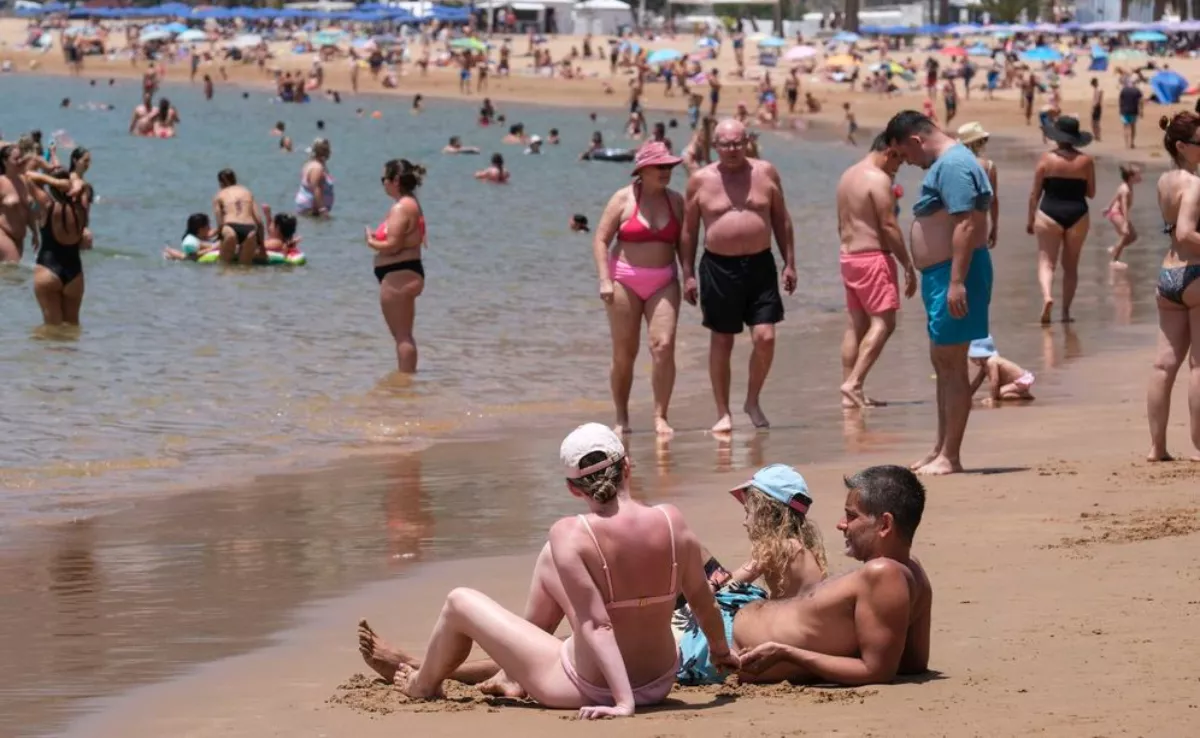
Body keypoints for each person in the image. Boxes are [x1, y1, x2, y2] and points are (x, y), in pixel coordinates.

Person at [356, 423, 736, 717]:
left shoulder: (572, 533)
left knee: (459, 602)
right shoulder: (672, 521)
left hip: (589, 686)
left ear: (574, 489)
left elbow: (597, 625)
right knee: (552, 558)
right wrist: (722, 652)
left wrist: (624, 703)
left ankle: (423, 684)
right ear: (627, 467)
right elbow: (703, 602)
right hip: (659, 679)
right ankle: (510, 676)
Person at [679, 465, 931, 687]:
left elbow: (877, 670)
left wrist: (788, 654)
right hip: (726, 624)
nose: (841, 524)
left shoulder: (884, 574)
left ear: (885, 525)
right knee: (680, 546)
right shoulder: (914, 573)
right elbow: (912, 663)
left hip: (719, 646)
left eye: (851, 516)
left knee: (676, 540)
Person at [884, 110, 993, 476]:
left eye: (905, 154)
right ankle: (941, 447)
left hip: (953, 273)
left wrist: (957, 281)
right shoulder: (952, 162)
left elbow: (966, 223)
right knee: (943, 364)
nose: (908, 164)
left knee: (951, 364)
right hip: (942, 274)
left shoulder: (953, 164)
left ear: (916, 140)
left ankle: (952, 456)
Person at [681, 119, 795, 433]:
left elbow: (781, 221)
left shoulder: (766, 172)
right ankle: (722, 412)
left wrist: (789, 263)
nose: (732, 149)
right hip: (718, 268)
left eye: (737, 142)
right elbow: (689, 231)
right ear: (715, 146)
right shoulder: (700, 180)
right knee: (722, 339)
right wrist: (687, 274)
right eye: (726, 144)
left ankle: (752, 400)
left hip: (760, 265)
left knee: (765, 337)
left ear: (747, 142)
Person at [591, 142, 685, 436]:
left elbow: (683, 243)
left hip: (664, 281)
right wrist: (605, 278)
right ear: (642, 170)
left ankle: (661, 416)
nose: (666, 171)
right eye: (660, 166)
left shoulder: (676, 201)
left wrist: (691, 276)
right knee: (624, 353)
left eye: (669, 166)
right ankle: (621, 417)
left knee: (664, 346)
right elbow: (601, 239)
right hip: (624, 281)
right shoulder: (622, 199)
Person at [836, 135, 917, 409]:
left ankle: (850, 394)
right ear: (889, 152)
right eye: (900, 160)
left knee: (856, 325)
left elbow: (842, 223)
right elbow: (888, 226)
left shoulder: (847, 176)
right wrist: (907, 264)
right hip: (873, 257)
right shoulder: (877, 179)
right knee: (884, 323)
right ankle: (854, 383)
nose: (899, 167)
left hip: (848, 256)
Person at [1148, 112, 1200, 462]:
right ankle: (1199, 447)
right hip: (1195, 274)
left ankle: (1157, 448)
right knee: (1198, 365)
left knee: (1164, 365)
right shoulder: (1196, 183)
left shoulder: (1164, 180)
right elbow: (1184, 232)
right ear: (1182, 146)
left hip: (1167, 276)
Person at [1028, 116, 1095, 324]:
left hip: (1049, 213)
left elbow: (1035, 194)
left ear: (1056, 137)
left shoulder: (1046, 159)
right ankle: (1066, 312)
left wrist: (1030, 219)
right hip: (1078, 214)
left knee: (1046, 262)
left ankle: (1048, 296)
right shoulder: (1086, 161)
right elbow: (1091, 193)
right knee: (1071, 266)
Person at [365, 158, 427, 374]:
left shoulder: (402, 207)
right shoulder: (411, 203)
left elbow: (393, 245)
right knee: (404, 335)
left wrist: (371, 242)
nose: (383, 183)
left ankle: (405, 384)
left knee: (402, 336)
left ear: (396, 180)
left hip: (399, 274)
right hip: (405, 271)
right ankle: (407, 382)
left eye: (384, 179)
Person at [30, 160, 91, 326]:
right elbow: (84, 185)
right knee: (72, 326)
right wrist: (75, 183)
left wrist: (54, 181)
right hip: (75, 273)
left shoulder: (46, 205)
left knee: (51, 328)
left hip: (48, 269)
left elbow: (27, 176)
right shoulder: (82, 208)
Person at [957, 122, 999, 250]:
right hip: (980, 227)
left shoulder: (954, 164)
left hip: (955, 224)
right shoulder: (989, 167)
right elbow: (993, 201)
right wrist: (995, 227)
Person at [212, 169, 263, 265]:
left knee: (224, 267)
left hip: (230, 228)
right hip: (250, 229)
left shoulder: (219, 195)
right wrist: (262, 247)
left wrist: (220, 237)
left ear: (220, 182)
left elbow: (220, 222)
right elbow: (259, 222)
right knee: (245, 269)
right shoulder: (247, 192)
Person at [967, 335, 1035, 403]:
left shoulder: (991, 361)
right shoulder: (985, 365)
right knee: (1002, 394)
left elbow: (995, 380)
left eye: (972, 357)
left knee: (999, 394)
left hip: (1020, 381)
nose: (970, 359)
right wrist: (968, 395)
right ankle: (1021, 394)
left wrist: (992, 398)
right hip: (1015, 383)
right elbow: (977, 381)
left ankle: (1024, 396)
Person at [0, 143, 33, 262]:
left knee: (8, 275)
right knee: (14, 269)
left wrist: (35, 232)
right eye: (16, 159)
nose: (20, 161)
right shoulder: (1, 182)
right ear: (5, 161)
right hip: (3, 234)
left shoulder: (24, 181)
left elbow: (29, 210)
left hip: (19, 238)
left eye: (21, 158)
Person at [1105, 164, 1142, 265]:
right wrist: (1125, 223)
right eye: (1138, 175)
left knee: (1133, 236)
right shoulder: (1125, 189)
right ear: (1131, 177)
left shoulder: (1126, 186)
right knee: (1125, 234)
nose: (1141, 177)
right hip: (1117, 213)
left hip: (1117, 212)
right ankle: (1114, 260)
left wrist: (1108, 206)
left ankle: (1115, 248)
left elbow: (1116, 196)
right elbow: (1124, 206)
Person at [294, 138, 334, 217]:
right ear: (324, 152)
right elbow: (316, 189)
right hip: (312, 209)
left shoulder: (311, 164)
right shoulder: (317, 168)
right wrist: (322, 209)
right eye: (328, 150)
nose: (330, 152)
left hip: (309, 208)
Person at [1119, 79, 1144, 150]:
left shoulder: (1124, 90)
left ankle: (1126, 143)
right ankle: (1132, 143)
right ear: (1134, 83)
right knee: (1133, 127)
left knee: (1125, 127)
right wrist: (1141, 111)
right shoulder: (1137, 90)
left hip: (1124, 111)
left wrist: (1121, 110)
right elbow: (1141, 101)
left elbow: (1120, 101)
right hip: (1133, 111)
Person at [1090, 77, 1103, 142]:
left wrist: (1094, 107)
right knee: (1095, 122)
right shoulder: (1097, 89)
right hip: (1097, 107)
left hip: (1097, 107)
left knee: (1095, 122)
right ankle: (1096, 135)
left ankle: (1097, 136)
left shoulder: (1098, 89)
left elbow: (1097, 100)